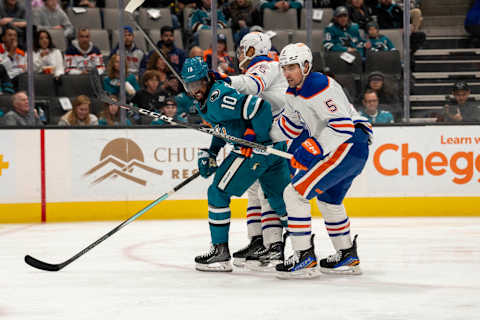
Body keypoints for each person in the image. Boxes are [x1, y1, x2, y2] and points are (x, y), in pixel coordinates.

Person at [271, 43, 372, 279]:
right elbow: (289, 127)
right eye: (284, 68)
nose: (287, 73)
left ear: (306, 66)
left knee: (294, 193)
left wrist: (314, 146)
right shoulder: (292, 93)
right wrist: (257, 137)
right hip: (350, 150)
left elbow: (342, 126)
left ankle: (303, 255)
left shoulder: (318, 84)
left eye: (292, 67)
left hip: (347, 145)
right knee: (329, 201)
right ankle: (346, 255)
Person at [180, 57, 290, 272]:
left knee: (217, 193)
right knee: (279, 200)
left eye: (198, 84)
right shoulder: (208, 100)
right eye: (189, 85)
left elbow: (259, 107)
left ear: (207, 79)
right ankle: (304, 251)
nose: (195, 90)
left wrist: (259, 141)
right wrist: (213, 151)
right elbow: (224, 127)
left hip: (257, 151)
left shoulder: (218, 96)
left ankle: (220, 254)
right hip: (276, 148)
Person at [210, 31, 291, 269]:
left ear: (252, 49)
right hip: (266, 137)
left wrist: (224, 80)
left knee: (269, 193)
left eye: (243, 50)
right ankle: (259, 240)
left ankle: (277, 244)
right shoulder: (257, 70)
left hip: (281, 137)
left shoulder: (267, 65)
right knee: (255, 191)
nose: (240, 55)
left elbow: (252, 86)